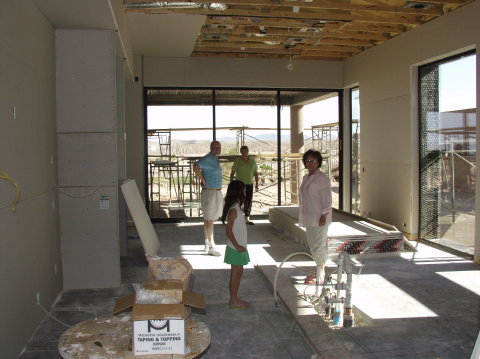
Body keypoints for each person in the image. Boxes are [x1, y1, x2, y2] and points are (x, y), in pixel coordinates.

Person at [298, 149, 332, 285]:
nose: (310, 163)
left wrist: (324, 215)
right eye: (308, 161)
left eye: (313, 161)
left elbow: (327, 199)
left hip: (319, 218)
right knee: (314, 246)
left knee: (318, 246)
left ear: (318, 163)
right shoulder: (306, 177)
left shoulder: (322, 178)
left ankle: (321, 276)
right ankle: (320, 272)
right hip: (309, 217)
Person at [221, 180, 250, 309]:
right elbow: (229, 230)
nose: (245, 192)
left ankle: (235, 297)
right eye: (244, 189)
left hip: (240, 247)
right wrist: (237, 245)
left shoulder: (237, 208)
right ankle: (233, 299)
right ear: (239, 192)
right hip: (236, 248)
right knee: (235, 274)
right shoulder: (233, 210)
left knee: (238, 274)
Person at [193, 141, 223, 256]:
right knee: (210, 220)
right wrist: (202, 179)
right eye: (214, 147)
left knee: (208, 220)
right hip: (210, 193)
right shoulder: (208, 158)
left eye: (218, 147)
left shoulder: (216, 159)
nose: (217, 148)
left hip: (214, 192)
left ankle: (206, 243)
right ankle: (211, 247)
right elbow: (195, 166)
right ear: (210, 148)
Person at [229, 145, 259, 225]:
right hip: (239, 185)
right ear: (240, 152)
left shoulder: (252, 161)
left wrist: (257, 184)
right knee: (238, 201)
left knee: (248, 201)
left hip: (249, 184)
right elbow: (232, 173)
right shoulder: (237, 161)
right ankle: (237, 217)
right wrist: (231, 183)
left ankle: (247, 218)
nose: (244, 153)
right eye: (242, 151)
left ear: (248, 151)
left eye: (245, 151)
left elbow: (256, 173)